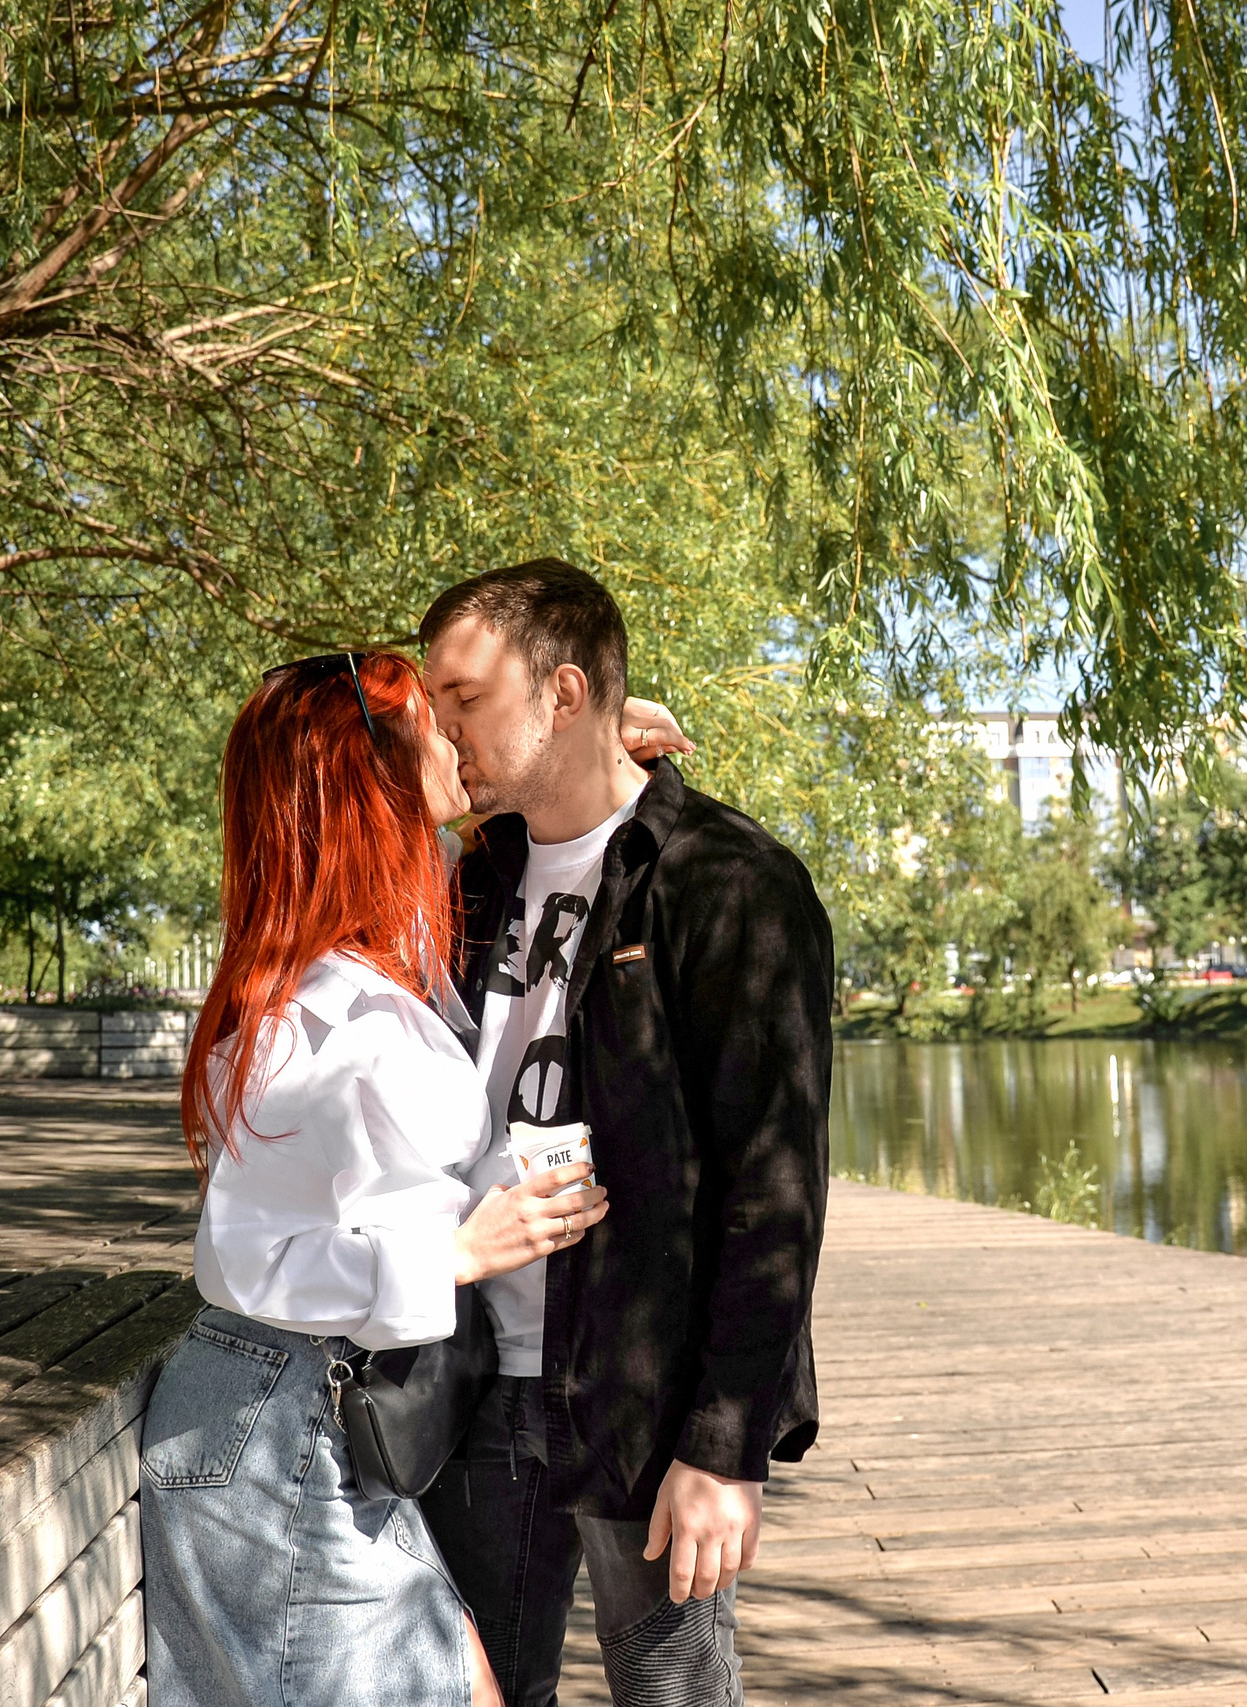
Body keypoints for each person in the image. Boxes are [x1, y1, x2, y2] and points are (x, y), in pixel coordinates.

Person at [140, 651, 611, 1707]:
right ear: (365, 776)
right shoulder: (310, 1016)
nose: (455, 735)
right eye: (430, 722)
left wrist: (591, 749)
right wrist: (455, 1253)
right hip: (288, 1418)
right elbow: (246, 1257)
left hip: (327, 1413)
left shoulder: (372, 966)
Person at [417, 560, 835, 1707]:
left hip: (640, 1394)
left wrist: (724, 1445)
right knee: (474, 1694)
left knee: (672, 1695)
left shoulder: (727, 881)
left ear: (560, 692)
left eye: (462, 697)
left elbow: (775, 1188)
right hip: (469, 1374)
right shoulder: (471, 877)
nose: (439, 723)